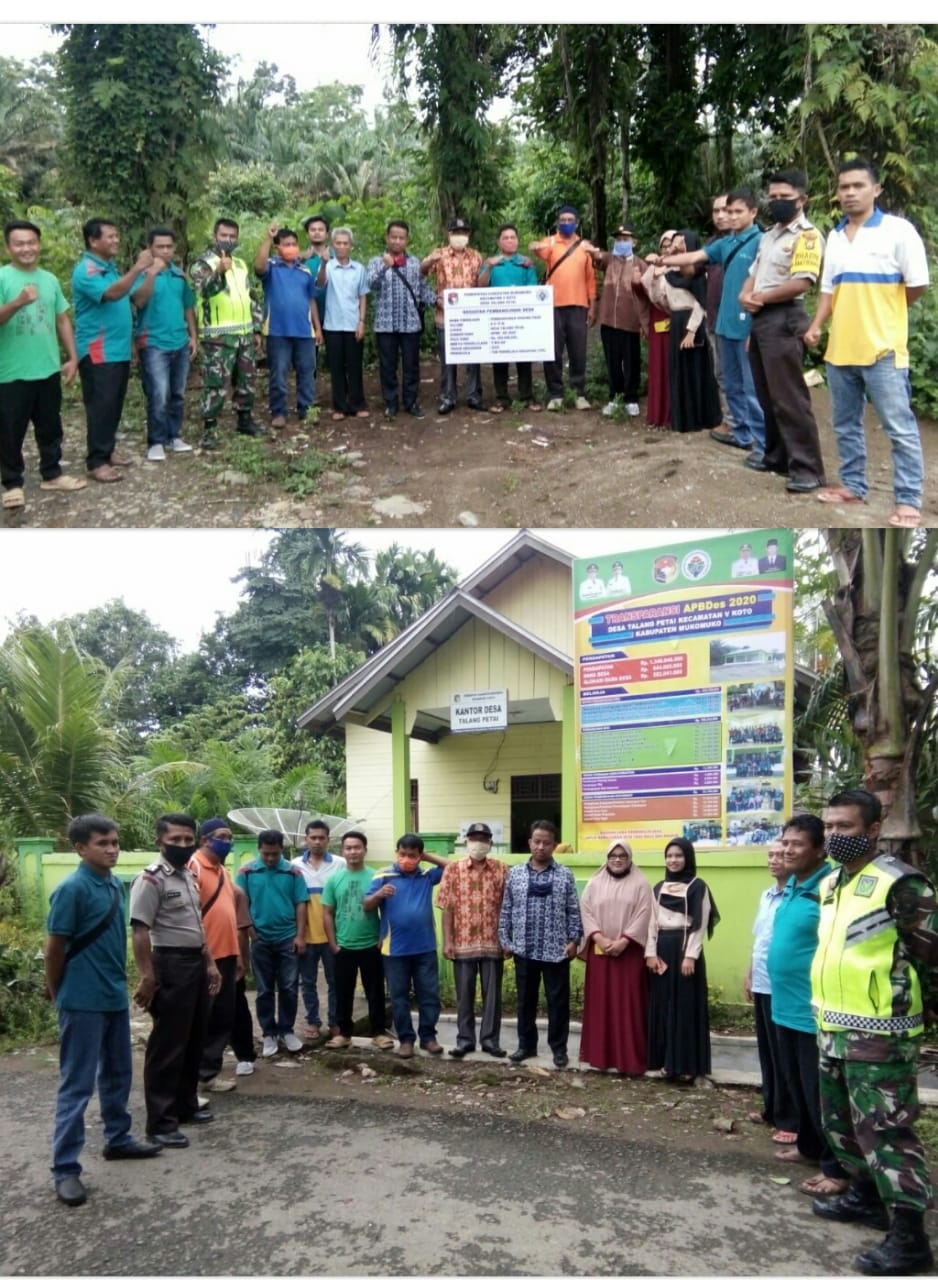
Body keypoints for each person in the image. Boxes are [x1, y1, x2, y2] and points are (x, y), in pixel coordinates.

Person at [810, 788, 936, 1276]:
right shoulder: (832, 883)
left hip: (882, 1034)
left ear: (873, 829)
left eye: (846, 827)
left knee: (886, 1133)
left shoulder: (902, 884)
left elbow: (931, 955)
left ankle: (909, 1240)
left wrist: (920, 1011)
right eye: (831, 827)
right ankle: (864, 1198)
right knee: (841, 1126)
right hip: (833, 1026)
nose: (835, 835)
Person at [804, 158, 930, 528]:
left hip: (883, 350)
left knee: (898, 426)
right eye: (844, 187)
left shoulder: (898, 231)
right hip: (841, 349)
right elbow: (828, 290)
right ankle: (854, 487)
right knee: (845, 423)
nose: (849, 193)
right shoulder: (837, 238)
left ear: (876, 190)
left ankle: (908, 500)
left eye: (858, 186)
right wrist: (816, 326)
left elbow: (917, 284)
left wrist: (887, 313)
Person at [45, 815, 160, 1206]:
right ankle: (65, 1169)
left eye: (115, 842)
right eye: (102, 843)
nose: (112, 848)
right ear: (79, 847)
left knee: (118, 1073)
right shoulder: (72, 888)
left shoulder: (113, 884)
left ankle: (118, 1138)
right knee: (77, 1085)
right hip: (81, 1000)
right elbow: (55, 947)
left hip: (111, 996)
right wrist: (56, 990)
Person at [767, 816, 850, 1197]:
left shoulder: (831, 888)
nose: (787, 849)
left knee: (822, 1094)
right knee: (797, 1086)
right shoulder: (793, 887)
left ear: (819, 849)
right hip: (784, 1006)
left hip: (813, 1010)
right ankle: (809, 1147)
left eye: (796, 844)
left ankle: (838, 1168)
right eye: (785, 842)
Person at [129, 813, 221, 1148]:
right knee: (168, 1045)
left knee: (195, 1037)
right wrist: (148, 976)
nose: (183, 845)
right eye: (176, 840)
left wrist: (210, 963)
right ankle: (161, 1122)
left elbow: (196, 926)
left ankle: (186, 1106)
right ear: (160, 841)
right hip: (169, 964)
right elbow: (139, 931)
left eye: (188, 839)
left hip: (195, 963)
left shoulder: (187, 876)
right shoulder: (151, 880)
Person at [740, 169, 826, 493]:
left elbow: (802, 281)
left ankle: (808, 469)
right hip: (761, 319)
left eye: (784, 197)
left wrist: (759, 297)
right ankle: (776, 456)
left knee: (789, 397)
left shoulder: (807, 236)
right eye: (772, 197)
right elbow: (755, 272)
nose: (776, 202)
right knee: (766, 394)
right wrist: (745, 294)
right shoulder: (770, 235)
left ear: (801, 200)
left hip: (785, 317)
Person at [660, 187, 765, 452]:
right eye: (728, 211)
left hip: (746, 324)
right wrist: (665, 259)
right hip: (722, 322)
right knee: (729, 382)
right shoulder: (723, 243)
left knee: (750, 385)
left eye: (737, 212)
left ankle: (761, 442)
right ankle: (740, 434)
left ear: (753, 212)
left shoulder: (762, 242)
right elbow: (696, 257)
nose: (731, 217)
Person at [0, 219, 84, 511]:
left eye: (31, 242)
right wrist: (17, 303)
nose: (26, 248)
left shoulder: (48, 279)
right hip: (10, 371)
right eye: (19, 243)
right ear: (8, 246)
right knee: (10, 430)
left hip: (47, 368)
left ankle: (52, 473)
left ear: (39, 244)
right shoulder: (2, 278)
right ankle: (12, 484)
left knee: (50, 425)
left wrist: (72, 357)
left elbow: (62, 319)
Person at [72, 217, 151, 483]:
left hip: (117, 349)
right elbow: (114, 294)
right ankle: (96, 461)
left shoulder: (109, 267)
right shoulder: (87, 271)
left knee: (114, 404)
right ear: (93, 241)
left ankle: (107, 450)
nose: (116, 240)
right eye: (110, 236)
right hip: (98, 351)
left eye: (117, 235)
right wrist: (138, 267)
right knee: (101, 405)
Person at [498, 819, 582, 1069]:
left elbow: (573, 910)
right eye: (537, 842)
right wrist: (505, 939)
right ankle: (526, 1046)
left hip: (556, 950)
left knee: (558, 1002)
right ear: (529, 843)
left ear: (554, 845)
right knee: (525, 1001)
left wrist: (574, 939)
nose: (541, 847)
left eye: (547, 843)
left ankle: (559, 1049)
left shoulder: (565, 874)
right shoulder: (515, 873)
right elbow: (506, 910)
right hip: (524, 949)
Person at [364, 834, 448, 1058]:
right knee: (399, 997)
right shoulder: (384, 875)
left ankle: (428, 1038)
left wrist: (425, 856)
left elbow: (453, 867)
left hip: (425, 948)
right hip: (394, 950)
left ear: (419, 856)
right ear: (396, 853)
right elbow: (366, 905)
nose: (407, 859)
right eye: (403, 854)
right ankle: (406, 1040)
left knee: (429, 995)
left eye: (412, 855)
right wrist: (379, 894)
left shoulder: (426, 875)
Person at [577, 840, 655, 1075]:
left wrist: (624, 941)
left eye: (622, 855)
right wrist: (599, 938)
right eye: (613, 855)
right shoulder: (595, 882)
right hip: (601, 953)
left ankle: (629, 1060)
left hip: (629, 954)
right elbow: (586, 910)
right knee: (601, 1005)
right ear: (607, 858)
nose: (618, 859)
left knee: (628, 1006)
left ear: (630, 858)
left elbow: (645, 913)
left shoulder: (641, 884)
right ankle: (600, 1057)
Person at [645, 837, 719, 1082]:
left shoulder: (698, 886)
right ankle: (666, 1061)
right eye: (669, 856)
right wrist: (651, 953)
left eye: (678, 855)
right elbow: (651, 924)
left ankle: (687, 1065)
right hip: (663, 951)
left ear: (687, 858)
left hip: (686, 950)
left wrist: (690, 956)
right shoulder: (658, 887)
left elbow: (700, 924)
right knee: (664, 1007)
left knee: (685, 1008)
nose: (673, 860)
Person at [189, 216, 265, 450]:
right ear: (215, 236)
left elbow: (251, 297)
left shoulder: (240, 264)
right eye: (224, 236)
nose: (228, 240)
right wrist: (219, 271)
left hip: (244, 334)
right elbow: (205, 290)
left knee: (247, 380)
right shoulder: (203, 264)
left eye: (232, 237)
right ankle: (210, 429)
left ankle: (244, 420)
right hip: (218, 336)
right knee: (216, 383)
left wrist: (256, 328)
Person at [438, 821, 509, 1058]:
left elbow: (508, 908)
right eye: (474, 838)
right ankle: (465, 1040)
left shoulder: (501, 869)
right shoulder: (453, 870)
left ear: (490, 843)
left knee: (493, 997)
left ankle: (490, 1040)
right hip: (463, 943)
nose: (478, 843)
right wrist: (447, 941)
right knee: (464, 995)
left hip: (493, 943)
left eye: (483, 839)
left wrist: (507, 940)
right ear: (467, 841)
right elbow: (446, 908)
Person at [744, 841, 798, 1145]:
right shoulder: (767, 896)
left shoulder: (796, 896)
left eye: (780, 855)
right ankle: (772, 1107)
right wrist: (750, 973)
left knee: (784, 1052)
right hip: (762, 980)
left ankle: (790, 1119)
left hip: (785, 985)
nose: (775, 860)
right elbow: (760, 940)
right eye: (771, 855)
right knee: (766, 1049)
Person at [235, 830, 308, 1058]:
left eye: (275, 854)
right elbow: (240, 902)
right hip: (260, 938)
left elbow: (301, 904)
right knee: (264, 989)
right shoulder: (247, 871)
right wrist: (248, 928)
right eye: (266, 854)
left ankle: (286, 1030)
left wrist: (300, 935)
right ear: (259, 849)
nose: (270, 859)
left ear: (281, 850)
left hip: (287, 936)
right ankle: (268, 1033)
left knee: (289, 986)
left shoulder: (293, 873)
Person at [640, 232, 721, 434]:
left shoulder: (698, 274)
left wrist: (692, 330)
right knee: (680, 372)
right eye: (671, 245)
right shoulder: (669, 273)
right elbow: (657, 295)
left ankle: (701, 417)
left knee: (696, 371)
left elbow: (701, 303)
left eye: (680, 244)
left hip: (692, 322)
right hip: (676, 322)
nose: (675, 248)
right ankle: (683, 419)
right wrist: (656, 269)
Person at [321, 830, 395, 1051]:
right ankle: (344, 1033)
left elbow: (387, 910)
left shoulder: (376, 877)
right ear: (343, 851)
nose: (353, 851)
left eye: (357, 847)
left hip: (371, 945)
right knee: (343, 992)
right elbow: (327, 913)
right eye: (348, 848)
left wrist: (383, 938)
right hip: (344, 946)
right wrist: (332, 944)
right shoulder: (334, 879)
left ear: (365, 850)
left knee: (375, 992)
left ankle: (379, 1033)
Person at [132, 226, 197, 461]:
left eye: (169, 247)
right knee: (158, 393)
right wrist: (151, 273)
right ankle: (156, 441)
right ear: (150, 248)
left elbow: (188, 306)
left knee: (178, 392)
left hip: (179, 341)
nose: (165, 251)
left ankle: (174, 435)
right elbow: (139, 302)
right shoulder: (140, 274)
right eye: (160, 247)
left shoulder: (179, 275)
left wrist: (193, 336)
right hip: (153, 343)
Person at [189, 818, 240, 1092]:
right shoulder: (194, 866)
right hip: (206, 957)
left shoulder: (221, 870)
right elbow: (191, 915)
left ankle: (208, 1074)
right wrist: (208, 959)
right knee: (203, 1017)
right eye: (223, 836)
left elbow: (229, 909)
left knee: (222, 1016)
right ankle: (193, 1076)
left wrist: (239, 954)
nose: (228, 842)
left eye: (231, 837)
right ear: (205, 839)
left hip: (227, 954)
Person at [255, 223, 322, 429]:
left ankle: (306, 409)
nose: (291, 247)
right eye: (286, 244)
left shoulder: (304, 271)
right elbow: (258, 267)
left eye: (294, 244)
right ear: (278, 248)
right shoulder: (272, 267)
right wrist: (268, 237)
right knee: (278, 372)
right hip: (277, 330)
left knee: (307, 372)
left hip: (304, 330)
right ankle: (279, 412)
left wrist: (317, 327)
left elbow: (311, 300)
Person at [530, 205, 597, 411]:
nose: (566, 223)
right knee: (553, 351)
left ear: (577, 223)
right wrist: (535, 246)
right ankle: (556, 394)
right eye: (562, 220)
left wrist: (592, 306)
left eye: (570, 220)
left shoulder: (584, 246)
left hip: (578, 305)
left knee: (578, 351)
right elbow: (535, 248)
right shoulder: (550, 242)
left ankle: (579, 393)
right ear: (557, 222)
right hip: (553, 306)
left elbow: (590, 279)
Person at [367, 219, 435, 421]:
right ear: (387, 238)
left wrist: (439, 301)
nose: (397, 241)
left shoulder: (415, 263)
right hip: (385, 324)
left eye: (401, 238)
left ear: (407, 240)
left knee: (411, 365)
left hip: (410, 323)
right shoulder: (376, 261)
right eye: (393, 237)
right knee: (387, 365)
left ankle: (411, 401)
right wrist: (384, 268)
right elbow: (372, 285)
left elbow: (422, 289)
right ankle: (390, 403)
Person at [421, 217, 485, 414]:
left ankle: (473, 395)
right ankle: (448, 397)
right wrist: (434, 298)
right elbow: (421, 275)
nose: (460, 236)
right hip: (445, 316)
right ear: (449, 234)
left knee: (473, 357)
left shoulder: (476, 256)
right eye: (456, 232)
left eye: (464, 233)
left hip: (470, 316)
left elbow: (482, 283)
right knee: (448, 359)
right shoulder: (438, 255)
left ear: (468, 235)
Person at [290, 819, 345, 1041]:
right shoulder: (294, 865)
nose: (317, 842)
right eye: (313, 837)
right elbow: (294, 902)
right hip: (306, 936)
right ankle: (313, 1020)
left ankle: (335, 1021)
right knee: (308, 982)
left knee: (335, 982)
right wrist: (298, 935)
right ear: (306, 839)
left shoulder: (340, 864)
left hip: (333, 936)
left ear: (328, 840)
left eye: (322, 838)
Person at [585, 226, 648, 417]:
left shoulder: (641, 265)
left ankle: (631, 398)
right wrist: (589, 248)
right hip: (608, 321)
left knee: (631, 361)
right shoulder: (609, 261)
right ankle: (614, 397)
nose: (621, 243)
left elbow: (647, 294)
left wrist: (645, 322)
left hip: (630, 321)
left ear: (634, 242)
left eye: (625, 239)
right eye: (618, 239)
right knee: (612, 361)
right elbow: (596, 256)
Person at [478, 224, 540, 413]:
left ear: (518, 240)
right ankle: (501, 398)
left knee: (524, 358)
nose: (510, 240)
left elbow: (533, 289)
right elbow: (481, 286)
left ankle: (527, 396)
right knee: (500, 359)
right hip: (498, 319)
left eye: (513, 237)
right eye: (505, 237)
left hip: (520, 317)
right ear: (499, 241)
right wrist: (488, 267)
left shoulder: (525, 263)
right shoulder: (491, 262)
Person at [317, 226, 370, 421]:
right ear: (332, 245)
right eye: (338, 243)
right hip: (332, 326)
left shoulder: (359, 269)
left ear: (351, 246)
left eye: (345, 243)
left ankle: (357, 403)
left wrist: (362, 322)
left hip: (353, 324)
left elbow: (363, 296)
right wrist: (323, 264)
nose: (341, 247)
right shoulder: (328, 266)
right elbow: (320, 284)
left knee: (355, 366)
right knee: (336, 368)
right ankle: (339, 406)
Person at [634, 230, 675, 428]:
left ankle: (675, 415)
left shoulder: (684, 267)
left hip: (679, 322)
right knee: (658, 368)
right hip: (657, 322)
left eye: (670, 245)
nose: (667, 249)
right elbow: (643, 291)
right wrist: (636, 282)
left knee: (675, 369)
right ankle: (658, 414)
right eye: (664, 246)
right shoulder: (652, 269)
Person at [703, 192, 735, 435]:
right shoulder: (712, 244)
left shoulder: (754, 241)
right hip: (715, 319)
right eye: (716, 211)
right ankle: (732, 421)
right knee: (722, 374)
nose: (722, 215)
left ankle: (749, 425)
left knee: (745, 376)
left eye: (727, 209)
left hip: (742, 322)